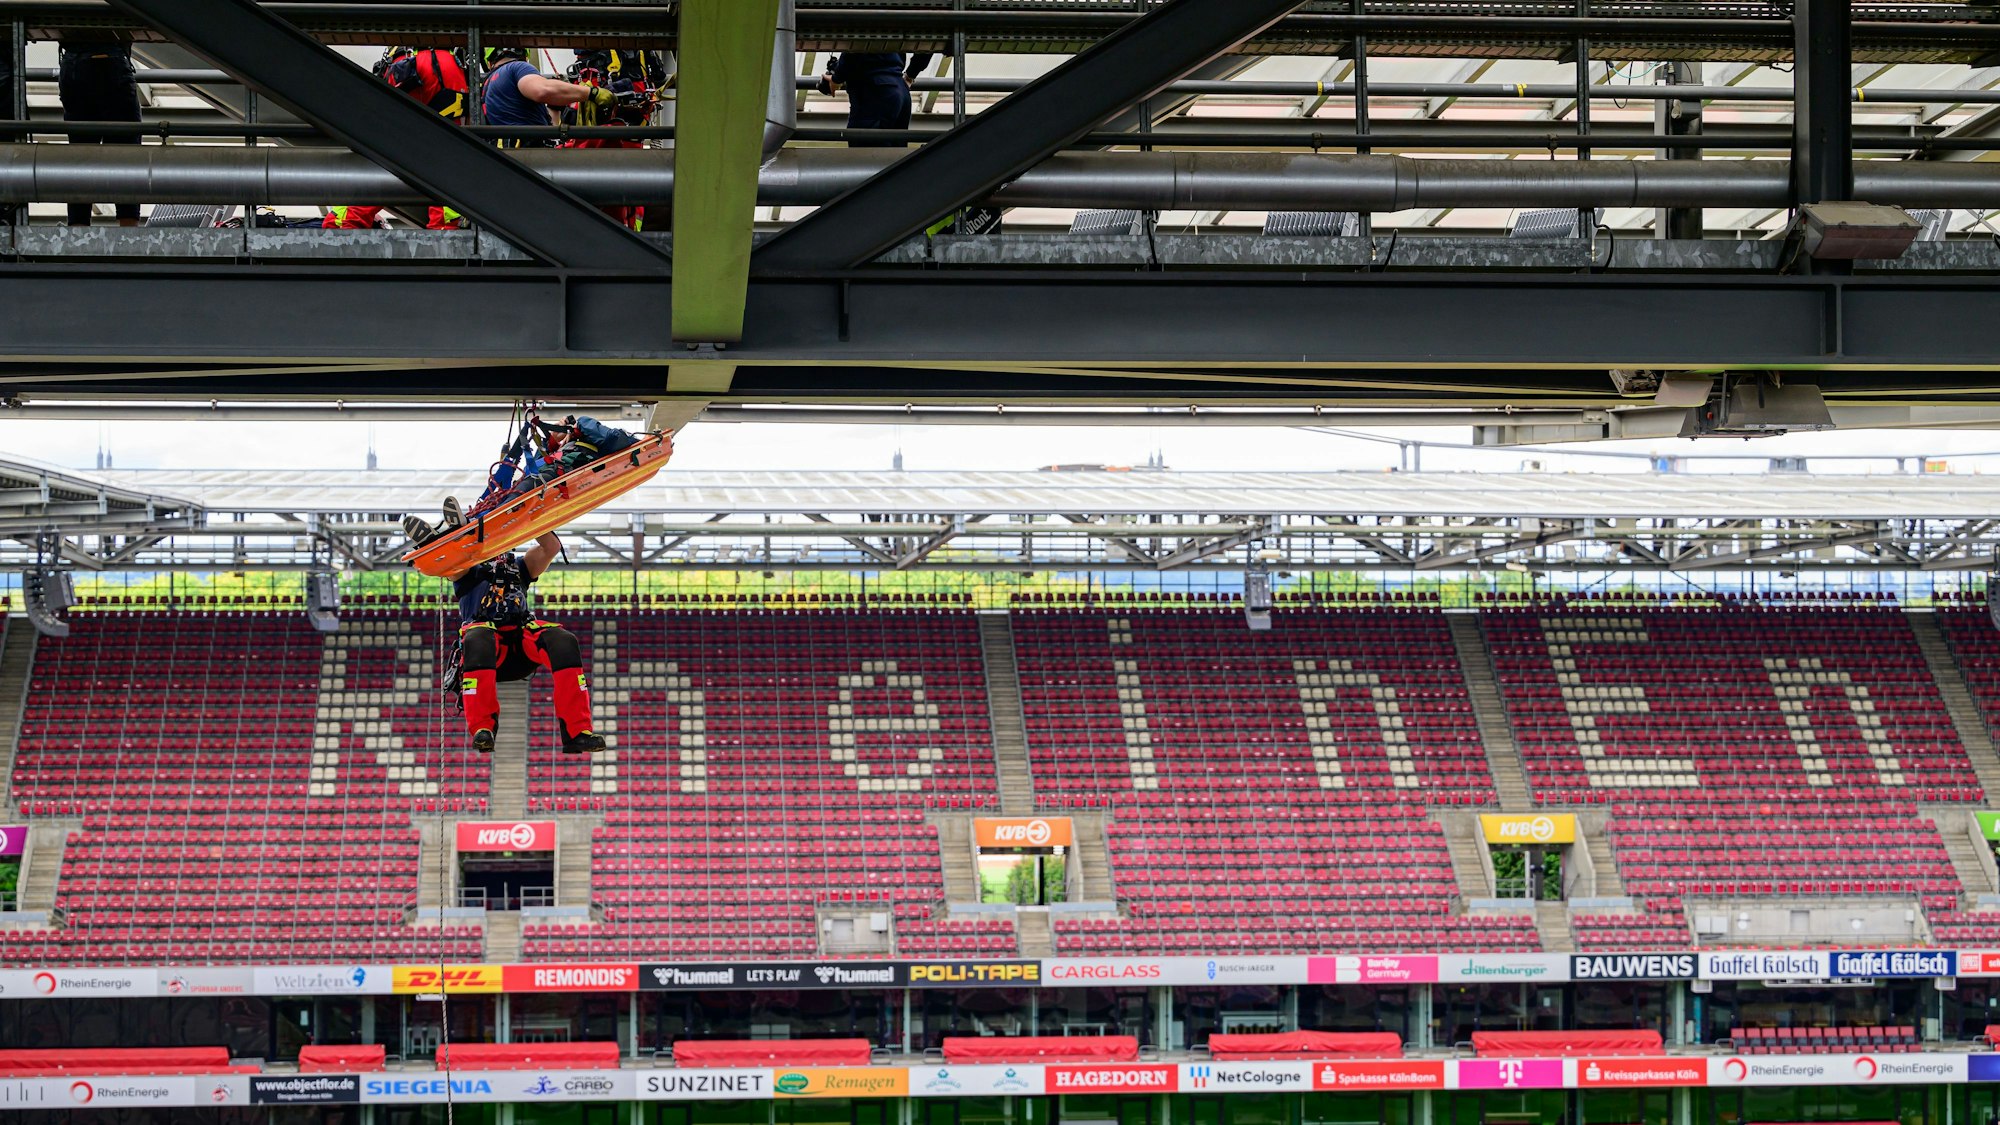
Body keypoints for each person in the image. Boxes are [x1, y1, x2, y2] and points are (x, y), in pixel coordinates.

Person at [452, 533, 605, 756]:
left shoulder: (520, 567)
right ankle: (482, 728)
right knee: (477, 637)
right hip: (487, 652)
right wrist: (469, 531)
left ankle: (577, 732)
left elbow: (550, 547)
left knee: (563, 641)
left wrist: (530, 515)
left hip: (520, 646)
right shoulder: (466, 570)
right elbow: (448, 563)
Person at [402, 414, 637, 545]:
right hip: (542, 478)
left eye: (559, 425)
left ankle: (470, 526)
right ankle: (451, 529)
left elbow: (617, 441)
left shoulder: (582, 434)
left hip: (551, 479)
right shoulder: (546, 451)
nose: (555, 427)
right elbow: (532, 463)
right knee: (497, 495)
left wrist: (578, 427)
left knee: (518, 492)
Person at [325, 48, 470, 230]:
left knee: (385, 155)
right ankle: (447, 225)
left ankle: (343, 220)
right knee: (449, 152)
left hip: (403, 64)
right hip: (445, 63)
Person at [58, 37, 142, 227]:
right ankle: (128, 235)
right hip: (111, 55)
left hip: (72, 61)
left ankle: (78, 232)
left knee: (80, 155)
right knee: (126, 155)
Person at [481, 45, 617, 143]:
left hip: (508, 152)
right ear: (524, 55)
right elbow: (542, 91)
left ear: (489, 61)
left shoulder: (487, 85)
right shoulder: (517, 67)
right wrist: (592, 93)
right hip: (529, 151)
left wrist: (554, 106)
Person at [816, 52, 930, 147]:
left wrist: (836, 78)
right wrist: (911, 74)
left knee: (866, 155)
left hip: (874, 91)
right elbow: (927, 42)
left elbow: (855, 45)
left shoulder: (864, 27)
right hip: (900, 89)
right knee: (897, 157)